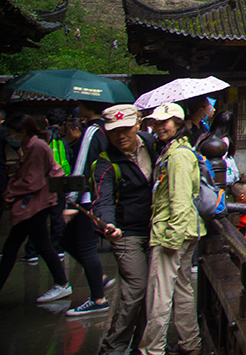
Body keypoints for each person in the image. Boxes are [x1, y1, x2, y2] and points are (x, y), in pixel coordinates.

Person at [139, 103, 202, 355]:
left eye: (164, 122)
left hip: (171, 231)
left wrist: (171, 239)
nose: (158, 127)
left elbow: (180, 199)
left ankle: (152, 349)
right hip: (183, 230)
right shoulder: (174, 151)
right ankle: (191, 342)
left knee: (159, 294)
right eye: (155, 123)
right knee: (182, 288)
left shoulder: (178, 156)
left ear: (177, 123)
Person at [93, 104, 156, 353]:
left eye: (126, 129)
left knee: (153, 291)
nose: (121, 136)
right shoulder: (106, 162)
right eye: (114, 131)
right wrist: (107, 224)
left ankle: (142, 342)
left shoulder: (152, 145)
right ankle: (113, 346)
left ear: (138, 125)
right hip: (126, 232)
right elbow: (103, 200)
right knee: (136, 288)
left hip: (155, 229)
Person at [0, 114, 72, 303]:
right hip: (35, 204)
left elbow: (32, 181)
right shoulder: (34, 146)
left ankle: (62, 283)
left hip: (34, 205)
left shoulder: (36, 147)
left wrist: (10, 189)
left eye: (11, 133)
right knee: (31, 245)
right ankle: (62, 282)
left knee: (18, 247)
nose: (9, 137)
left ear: (22, 132)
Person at [61, 101, 111, 317]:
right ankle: (99, 278)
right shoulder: (106, 129)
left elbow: (81, 166)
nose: (78, 107)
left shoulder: (92, 131)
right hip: (98, 194)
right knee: (67, 240)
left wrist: (71, 201)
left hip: (87, 198)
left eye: (81, 104)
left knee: (85, 246)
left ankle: (98, 298)